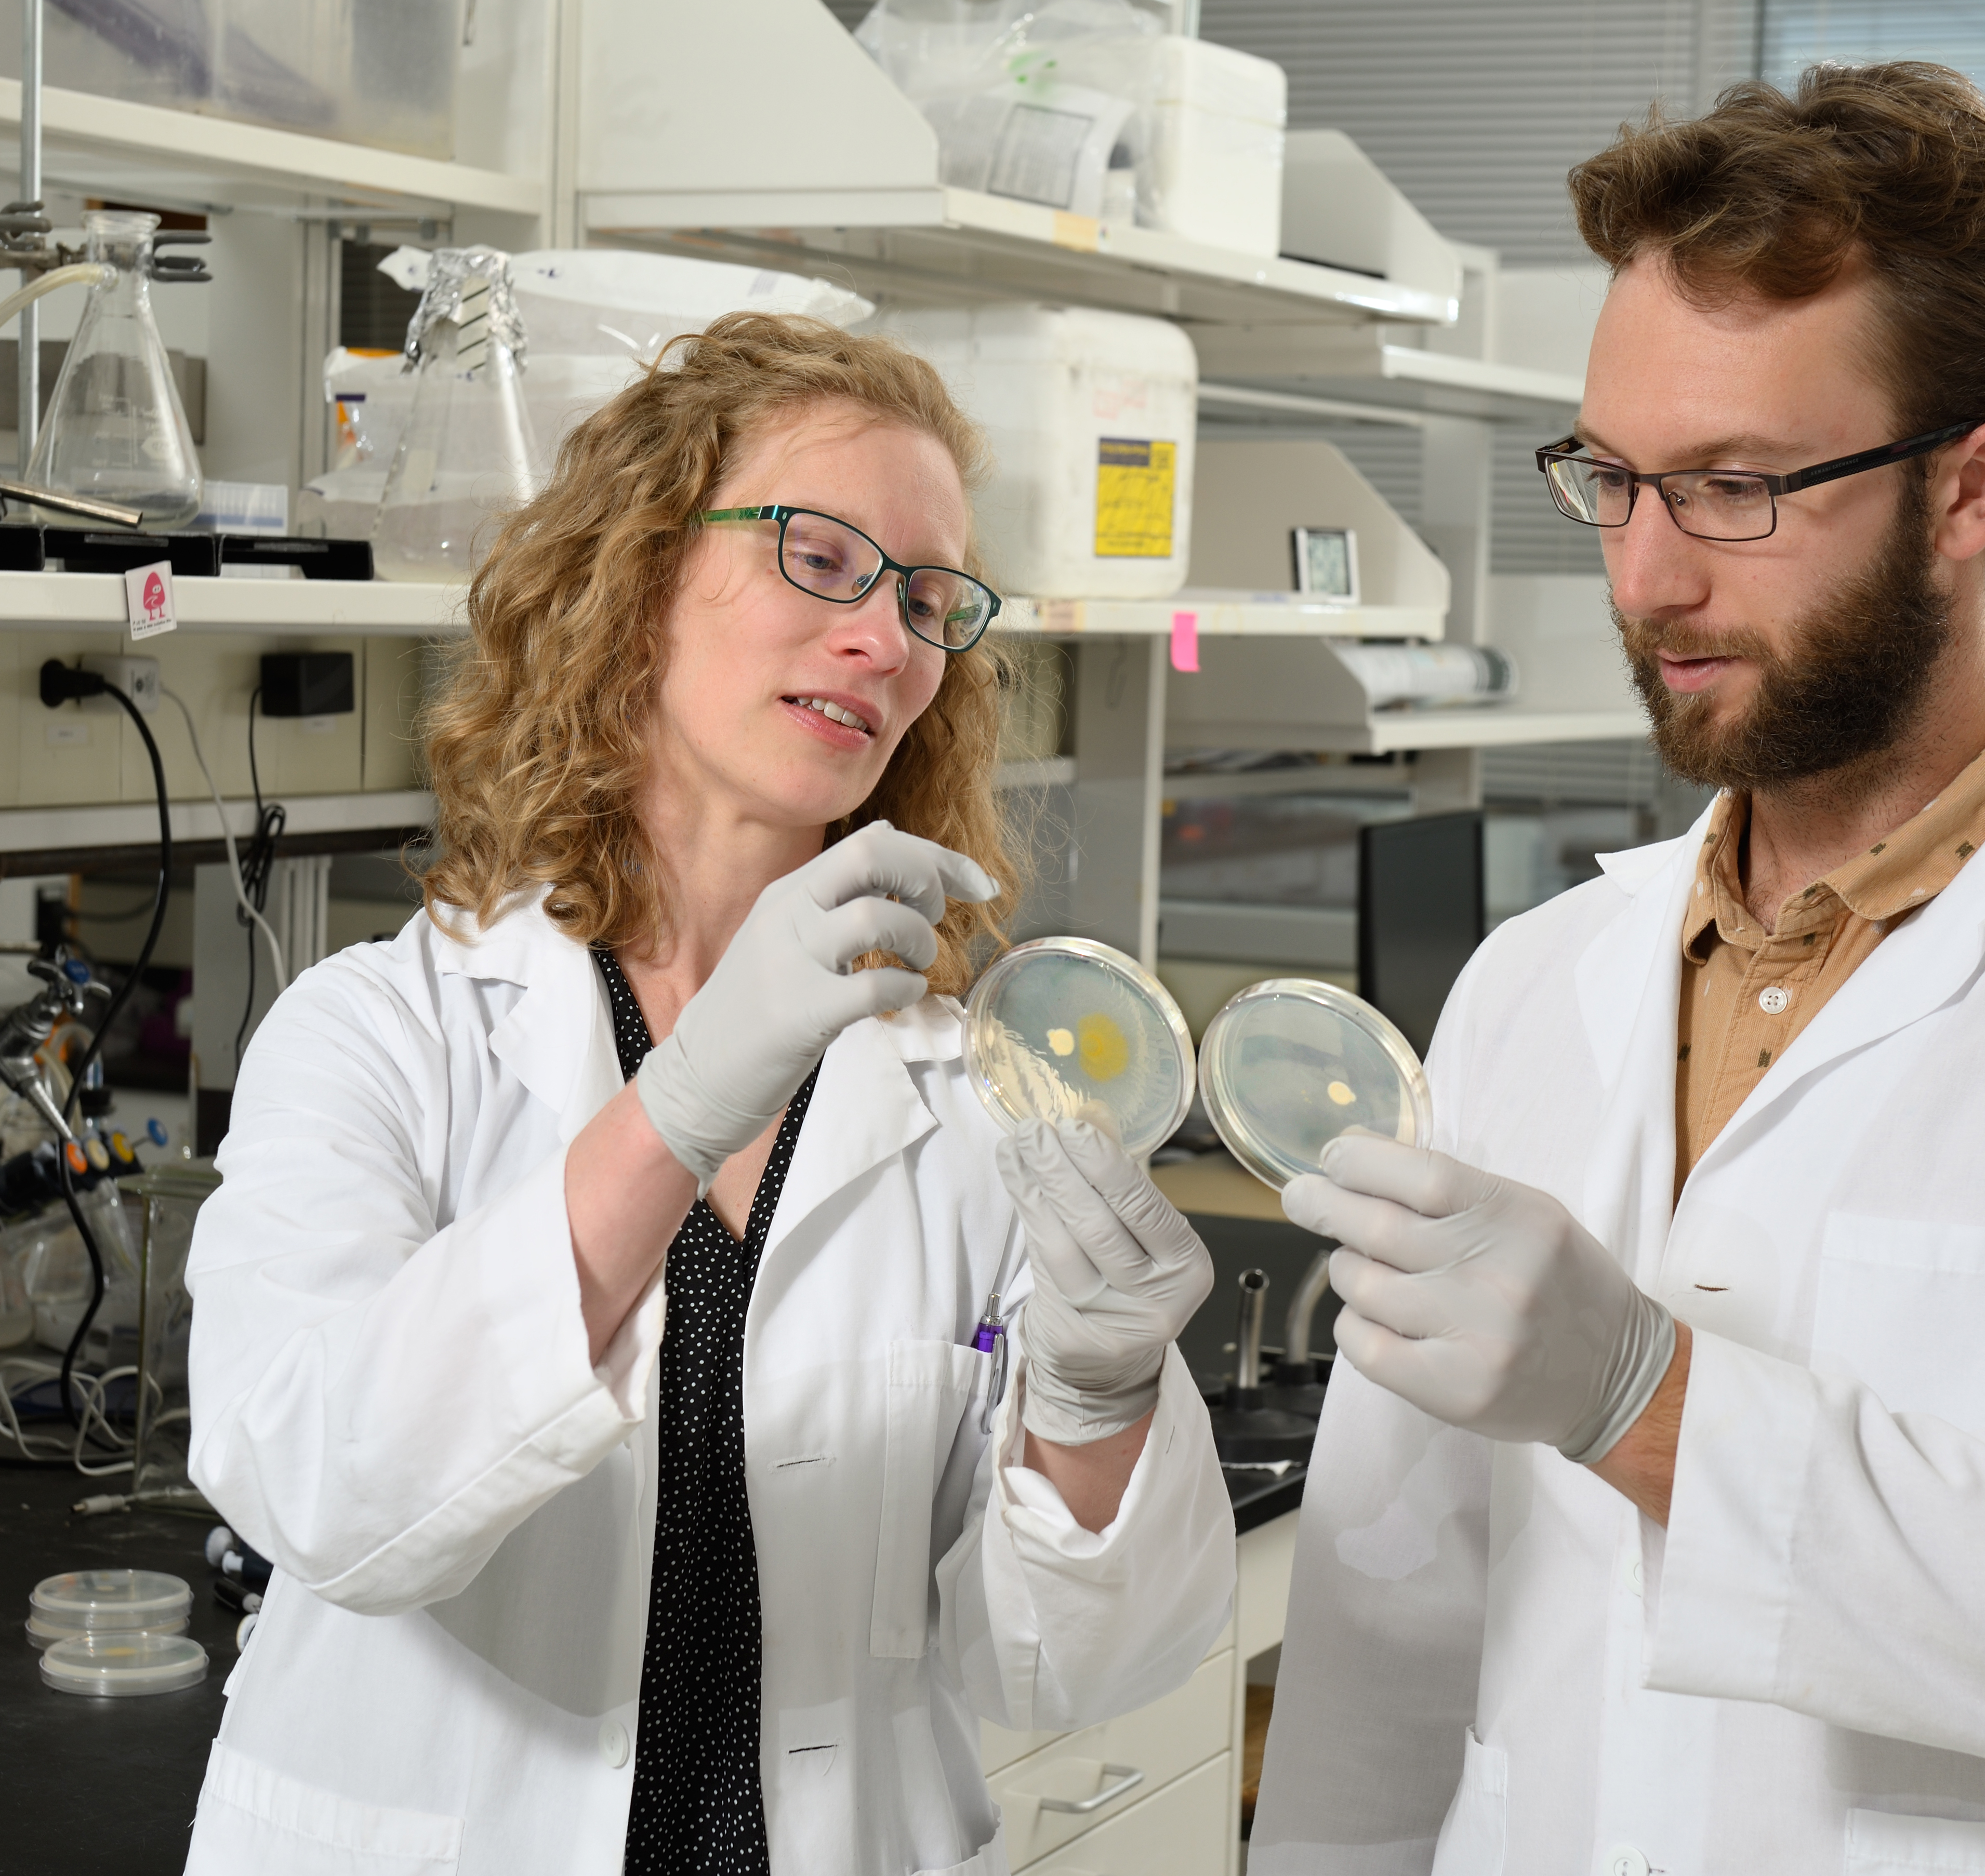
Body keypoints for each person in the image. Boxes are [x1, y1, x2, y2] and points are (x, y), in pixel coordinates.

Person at [1251, 63, 1985, 1875]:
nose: (1643, 578)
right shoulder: (1536, 978)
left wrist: (1646, 1399)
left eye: (1728, 488)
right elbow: (1396, 1604)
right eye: (1613, 479)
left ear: (1972, 485)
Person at [182, 313, 1236, 1876]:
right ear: (637, 573)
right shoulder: (380, 1035)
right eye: (822, 557)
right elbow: (322, 1489)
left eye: (930, 599)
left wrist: (1094, 1405)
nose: (887, 640)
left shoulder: (976, 1100)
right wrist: (672, 1116)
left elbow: (1070, 1671)